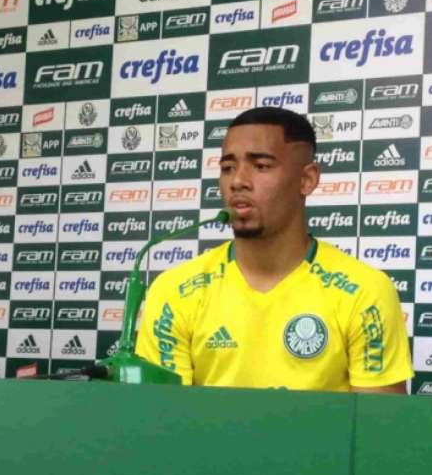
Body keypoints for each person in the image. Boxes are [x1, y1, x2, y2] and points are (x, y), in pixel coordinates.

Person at [135, 107, 413, 392]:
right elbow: (164, 419)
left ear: (307, 180)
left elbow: (376, 429)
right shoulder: (173, 290)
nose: (238, 181)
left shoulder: (365, 291)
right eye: (227, 168)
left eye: (261, 166)